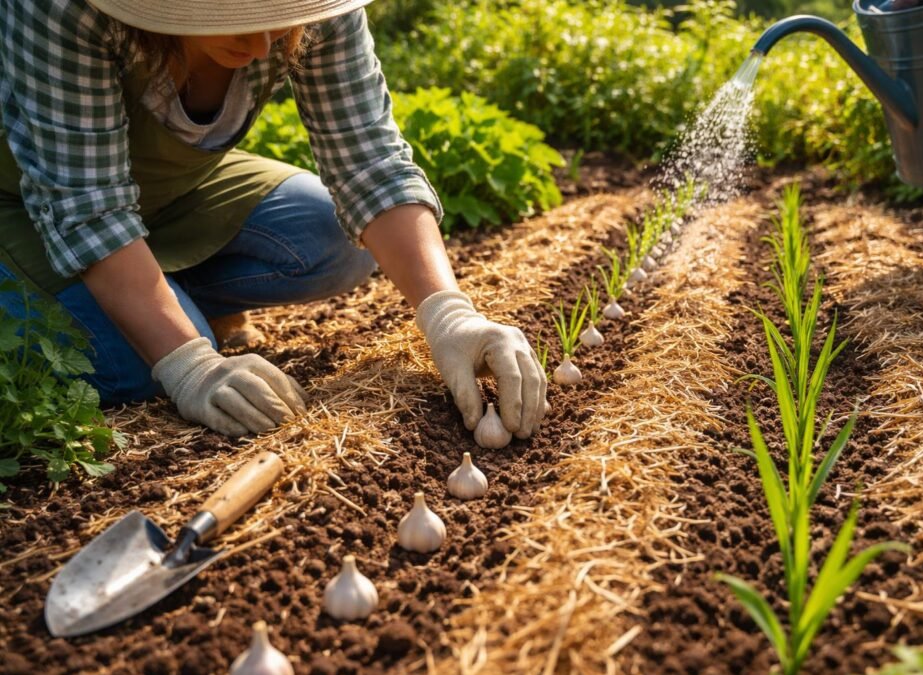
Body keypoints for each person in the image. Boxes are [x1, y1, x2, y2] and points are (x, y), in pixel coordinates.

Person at [0, 0, 546, 439]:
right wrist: (189, 362)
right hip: (27, 202)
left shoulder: (316, 8)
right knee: (133, 366)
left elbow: (370, 162)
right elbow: (88, 206)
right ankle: (149, 303)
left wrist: (450, 315)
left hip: (172, 195)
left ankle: (151, 294)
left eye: (277, 13)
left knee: (334, 235)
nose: (264, 44)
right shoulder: (66, 8)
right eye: (234, 15)